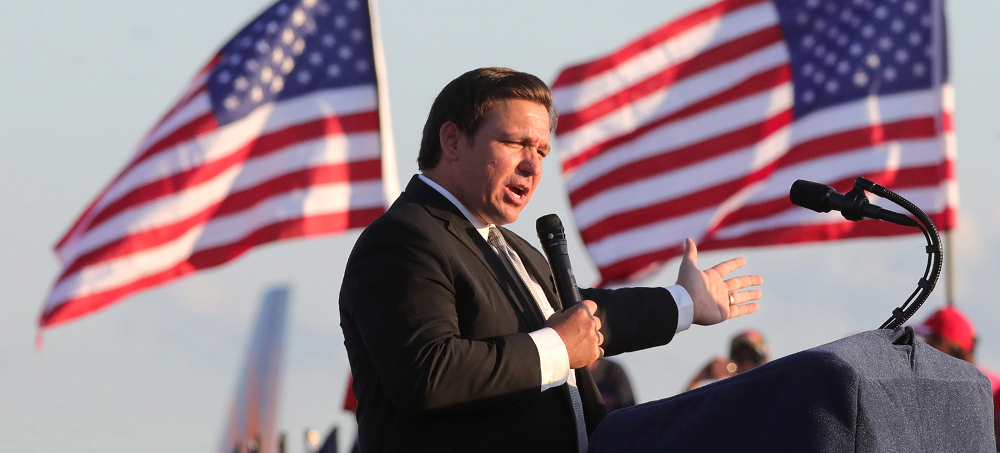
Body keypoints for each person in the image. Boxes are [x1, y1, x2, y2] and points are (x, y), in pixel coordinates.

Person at [339, 67, 763, 453]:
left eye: (541, 151)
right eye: (515, 142)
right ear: (451, 140)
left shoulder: (512, 247)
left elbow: (588, 316)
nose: (533, 165)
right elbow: (430, 374)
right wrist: (557, 346)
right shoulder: (403, 238)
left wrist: (683, 302)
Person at [914, 306, 1000, 449]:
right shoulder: (988, 381)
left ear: (949, 346)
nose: (920, 348)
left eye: (929, 341)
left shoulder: (984, 389)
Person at [685, 329, 770, 391]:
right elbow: (682, 412)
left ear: (766, 362)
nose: (746, 364)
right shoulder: (726, 400)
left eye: (753, 357)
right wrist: (699, 378)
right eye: (740, 357)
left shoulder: (776, 394)